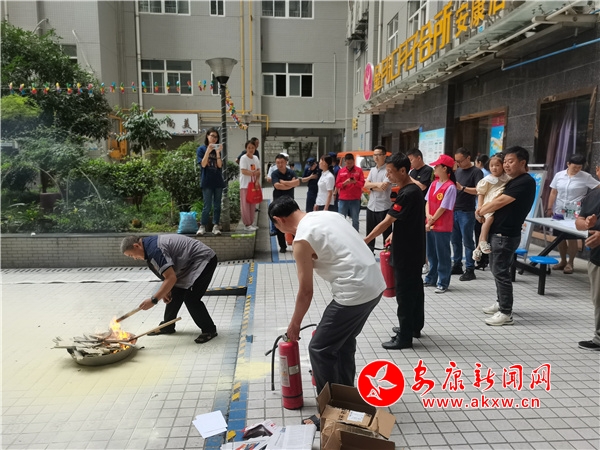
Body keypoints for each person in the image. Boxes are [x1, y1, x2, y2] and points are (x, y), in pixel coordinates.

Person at [268, 196, 385, 396]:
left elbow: (306, 291)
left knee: (319, 349)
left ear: (279, 220)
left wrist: (295, 325)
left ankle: (333, 406)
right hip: (375, 284)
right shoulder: (329, 215)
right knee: (344, 342)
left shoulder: (301, 240)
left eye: (276, 225)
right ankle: (347, 396)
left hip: (353, 291)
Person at [364, 153, 425, 350]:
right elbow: (404, 219)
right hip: (414, 249)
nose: (387, 176)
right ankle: (414, 327)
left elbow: (387, 221)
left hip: (406, 252)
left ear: (403, 171)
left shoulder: (407, 193)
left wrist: (366, 240)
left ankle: (404, 337)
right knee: (415, 290)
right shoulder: (413, 190)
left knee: (405, 294)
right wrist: (394, 233)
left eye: (390, 172)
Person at [120, 234, 218, 343]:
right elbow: (168, 276)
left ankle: (209, 330)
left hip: (203, 259)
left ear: (136, 246)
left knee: (191, 298)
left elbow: (171, 278)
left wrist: (154, 300)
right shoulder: (149, 248)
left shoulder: (154, 250)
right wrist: (166, 290)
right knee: (174, 292)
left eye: (131, 255)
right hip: (188, 263)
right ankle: (168, 326)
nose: (134, 258)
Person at [477, 146, 536, 326]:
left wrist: (481, 210)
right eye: (505, 162)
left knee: (501, 272)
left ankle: (505, 312)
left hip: (506, 234)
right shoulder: (513, 180)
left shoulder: (525, 181)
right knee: (497, 270)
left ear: (522, 163)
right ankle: (500, 301)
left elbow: (501, 201)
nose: (506, 165)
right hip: (499, 232)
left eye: (511, 161)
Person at [546, 154, 600, 274]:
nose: (577, 169)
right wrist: (549, 207)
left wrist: (589, 201)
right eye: (574, 167)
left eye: (579, 167)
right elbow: (554, 192)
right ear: (568, 164)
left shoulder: (586, 177)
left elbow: (598, 187)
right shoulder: (559, 175)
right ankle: (563, 261)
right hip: (559, 210)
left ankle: (570, 263)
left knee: (571, 238)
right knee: (559, 237)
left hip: (575, 212)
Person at [423, 154, 457, 294]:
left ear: (444, 168)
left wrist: (432, 219)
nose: (434, 168)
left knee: (442, 255)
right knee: (431, 253)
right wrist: (428, 216)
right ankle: (431, 278)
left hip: (442, 226)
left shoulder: (450, 187)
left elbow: (443, 207)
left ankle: (443, 282)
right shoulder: (433, 184)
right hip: (430, 224)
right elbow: (427, 202)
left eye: (437, 166)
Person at [451, 147, 483, 281]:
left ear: (468, 158)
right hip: (454, 210)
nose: (458, 164)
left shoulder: (476, 172)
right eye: (456, 161)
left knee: (468, 241)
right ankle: (457, 264)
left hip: (467, 211)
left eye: (460, 161)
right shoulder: (458, 171)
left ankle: (470, 268)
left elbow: (479, 190)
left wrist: (462, 188)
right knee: (455, 240)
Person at [576, 182, 600, 350]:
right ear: (598, 171)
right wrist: (586, 224)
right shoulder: (593, 195)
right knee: (598, 300)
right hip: (597, 258)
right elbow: (579, 221)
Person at [473, 153, 510, 261]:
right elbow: (480, 193)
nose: (494, 168)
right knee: (489, 219)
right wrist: (480, 208)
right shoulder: (487, 179)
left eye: (497, 165)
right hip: (489, 203)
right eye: (491, 165)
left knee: (488, 222)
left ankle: (478, 249)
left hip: (498, 203)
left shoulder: (507, 177)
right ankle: (483, 241)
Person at [407, 148, 434, 274]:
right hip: (413, 207)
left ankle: (425, 262)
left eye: (411, 160)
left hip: (425, 208)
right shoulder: (412, 172)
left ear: (419, 158)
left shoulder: (428, 170)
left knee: (424, 237)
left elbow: (422, 186)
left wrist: (408, 178)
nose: (410, 163)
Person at [196, 128, 225, 236]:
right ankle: (202, 226)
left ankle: (215, 226)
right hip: (207, 181)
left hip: (218, 181)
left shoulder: (217, 150)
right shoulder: (201, 149)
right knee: (207, 205)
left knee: (217, 206)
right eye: (212, 136)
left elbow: (220, 165)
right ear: (207, 136)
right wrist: (208, 150)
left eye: (216, 137)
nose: (214, 138)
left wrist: (217, 153)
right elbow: (203, 164)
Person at [364, 145, 392, 254]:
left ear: (384, 156)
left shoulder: (388, 170)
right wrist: (376, 185)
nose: (376, 157)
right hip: (371, 206)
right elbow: (366, 185)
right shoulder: (372, 170)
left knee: (386, 233)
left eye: (379, 155)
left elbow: (383, 188)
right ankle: (369, 253)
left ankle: (388, 254)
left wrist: (372, 186)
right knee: (370, 233)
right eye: (374, 155)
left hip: (383, 207)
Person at [271, 153, 300, 253]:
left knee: (293, 222)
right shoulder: (274, 174)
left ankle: (297, 245)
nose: (280, 164)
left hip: (290, 201)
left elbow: (297, 182)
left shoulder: (291, 172)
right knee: (280, 224)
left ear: (286, 162)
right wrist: (290, 184)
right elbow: (277, 186)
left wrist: (284, 182)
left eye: (282, 162)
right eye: (278, 162)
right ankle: (282, 246)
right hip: (278, 202)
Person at [336, 153, 365, 232]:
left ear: (353, 161)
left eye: (351, 163)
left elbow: (362, 183)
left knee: (355, 219)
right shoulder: (341, 171)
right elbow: (337, 184)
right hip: (343, 198)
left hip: (355, 199)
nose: (349, 165)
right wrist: (344, 183)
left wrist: (355, 182)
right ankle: (341, 233)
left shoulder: (359, 170)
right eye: (347, 163)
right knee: (341, 218)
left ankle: (355, 235)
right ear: (345, 162)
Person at [474, 154, 491, 270]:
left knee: (480, 234)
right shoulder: (491, 176)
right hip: (487, 209)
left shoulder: (482, 175)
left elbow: (479, 192)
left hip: (482, 209)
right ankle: (485, 259)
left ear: (479, 163)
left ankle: (481, 260)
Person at [239, 140, 261, 231]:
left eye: (253, 147)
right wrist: (253, 173)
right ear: (246, 148)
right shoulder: (243, 158)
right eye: (249, 148)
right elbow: (243, 171)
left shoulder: (255, 158)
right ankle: (247, 224)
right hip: (245, 185)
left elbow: (258, 170)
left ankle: (251, 223)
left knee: (253, 204)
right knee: (245, 205)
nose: (251, 149)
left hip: (254, 184)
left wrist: (257, 181)